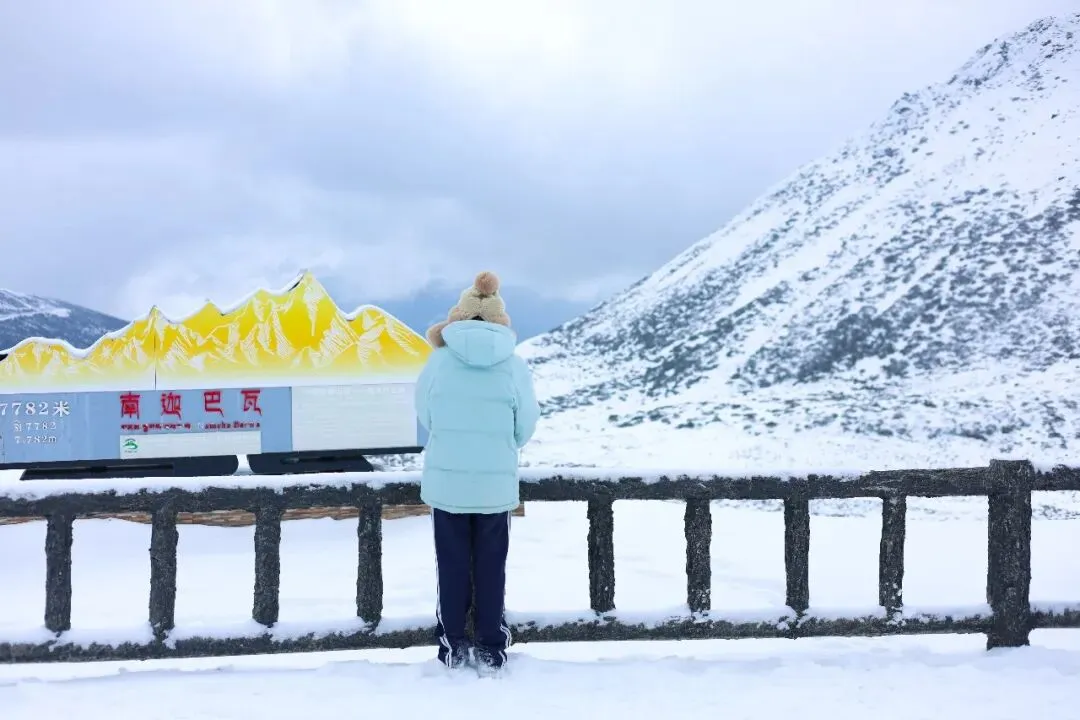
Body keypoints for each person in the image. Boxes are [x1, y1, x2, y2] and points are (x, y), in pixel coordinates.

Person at [415, 270, 541, 673]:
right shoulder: (513, 365)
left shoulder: (439, 361)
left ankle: (453, 643)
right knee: (491, 567)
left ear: (459, 317)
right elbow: (526, 424)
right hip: (494, 486)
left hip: (447, 484)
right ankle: (491, 645)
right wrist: (501, 446)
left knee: (451, 565)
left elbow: (425, 414)